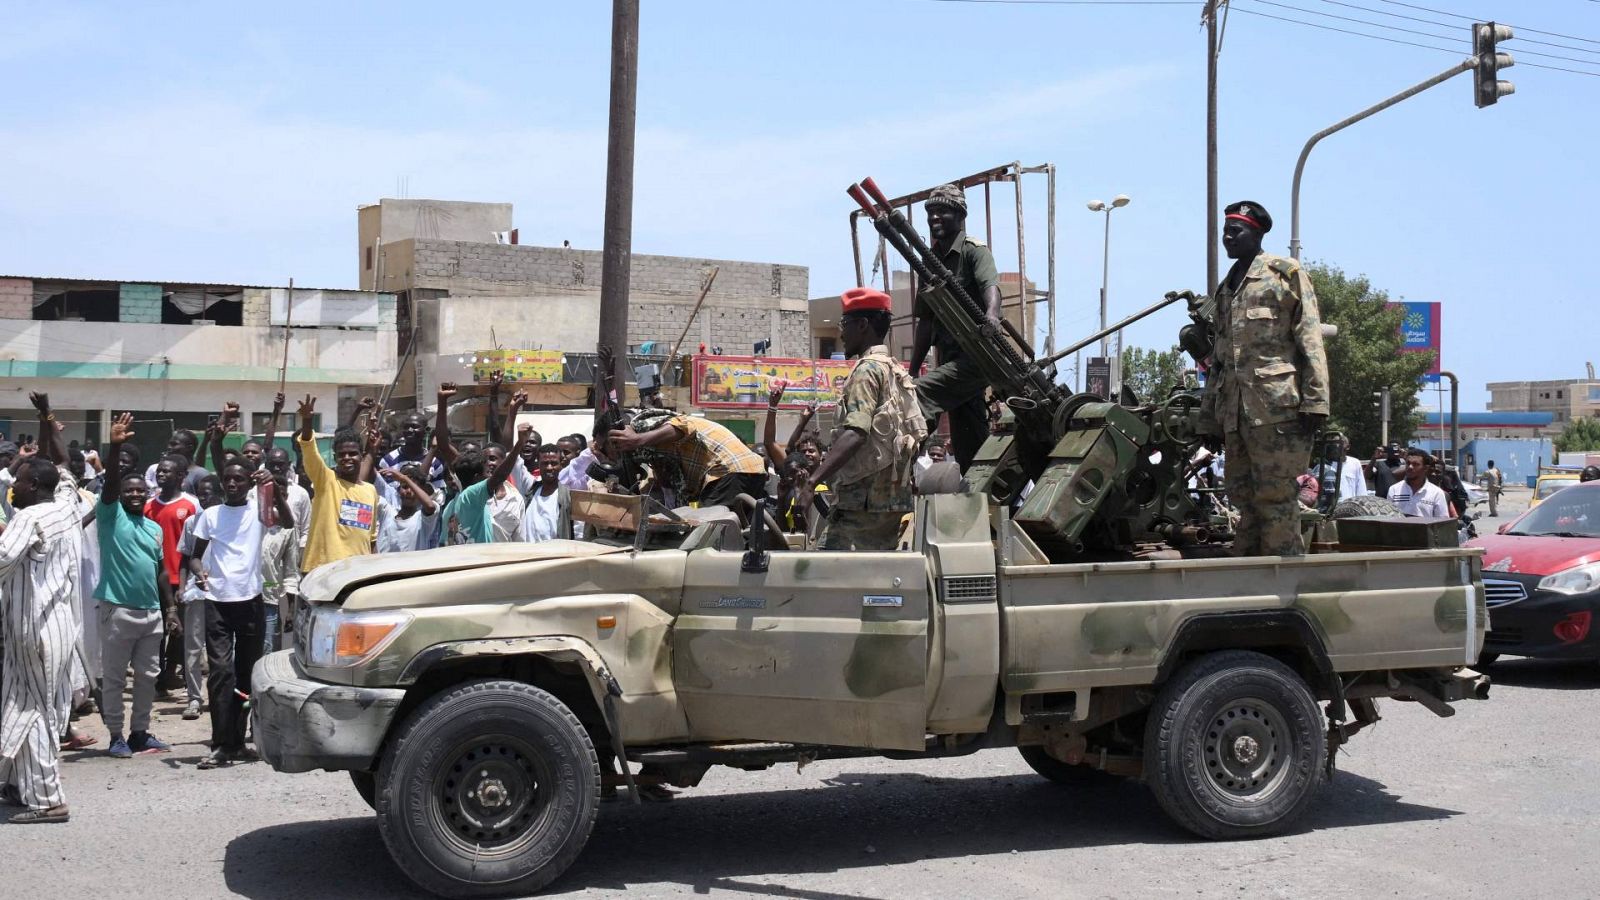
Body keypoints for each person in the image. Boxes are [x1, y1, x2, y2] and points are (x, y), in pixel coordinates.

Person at [1197, 200, 1329, 557]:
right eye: (1224, 232)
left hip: (1277, 410)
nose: (1227, 238)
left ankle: (1284, 581)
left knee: (1275, 498)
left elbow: (1310, 339)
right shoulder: (1226, 287)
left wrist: (1316, 401)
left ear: (1256, 234)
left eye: (1235, 231)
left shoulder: (1283, 274)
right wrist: (1210, 417)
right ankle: (1250, 577)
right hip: (1237, 414)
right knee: (1243, 498)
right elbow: (1221, 358)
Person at [800, 288, 926, 551]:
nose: (842, 333)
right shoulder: (892, 368)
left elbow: (856, 432)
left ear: (862, 325)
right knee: (874, 575)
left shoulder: (867, 370)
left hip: (862, 502)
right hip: (890, 500)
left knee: (826, 573)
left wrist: (813, 481)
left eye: (844, 324)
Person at [189, 460, 292, 769]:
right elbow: (194, 557)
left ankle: (237, 742)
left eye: (238, 479)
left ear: (249, 484)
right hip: (217, 601)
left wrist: (274, 491)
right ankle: (220, 743)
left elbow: (287, 522)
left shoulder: (258, 513)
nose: (232, 484)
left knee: (246, 674)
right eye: (228, 479)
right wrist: (199, 573)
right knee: (221, 672)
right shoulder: (210, 515)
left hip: (251, 601)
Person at [0, 455, 83, 823]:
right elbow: (65, 475)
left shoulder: (29, 518)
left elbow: (3, 558)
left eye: (17, 480)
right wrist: (48, 420)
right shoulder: (66, 507)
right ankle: (21, 784)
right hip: (59, 627)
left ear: (33, 486)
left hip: (34, 630)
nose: (11, 485)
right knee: (22, 703)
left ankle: (48, 800)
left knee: (33, 711)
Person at [908, 183, 1003, 472]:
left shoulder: (974, 251)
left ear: (960, 215)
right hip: (952, 360)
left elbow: (991, 286)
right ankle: (980, 497)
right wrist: (912, 370)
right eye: (930, 212)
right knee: (969, 444)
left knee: (917, 396)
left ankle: (903, 461)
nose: (934, 218)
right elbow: (925, 321)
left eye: (942, 211)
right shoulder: (929, 260)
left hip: (977, 357)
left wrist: (992, 315)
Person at [95, 414, 174, 759]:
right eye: (129, 490)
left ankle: (139, 733)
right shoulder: (111, 516)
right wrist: (114, 448)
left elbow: (159, 572)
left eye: (140, 490)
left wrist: (169, 608)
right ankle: (115, 736)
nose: (135, 494)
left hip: (151, 613)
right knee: (114, 679)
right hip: (118, 610)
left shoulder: (154, 528)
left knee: (148, 678)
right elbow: (111, 485)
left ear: (148, 493)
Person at [294, 395, 378, 572]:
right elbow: (309, 449)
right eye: (342, 455)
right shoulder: (325, 480)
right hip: (322, 571)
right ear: (335, 458)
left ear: (361, 456)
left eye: (352, 453)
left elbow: (370, 539)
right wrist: (307, 421)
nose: (347, 458)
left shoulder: (370, 491)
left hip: (358, 574)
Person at [145, 453, 200, 710]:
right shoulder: (147, 506)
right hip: (154, 577)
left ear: (181, 476)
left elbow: (197, 544)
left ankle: (173, 670)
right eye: (160, 471)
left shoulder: (191, 504)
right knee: (155, 631)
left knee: (180, 632)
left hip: (182, 578)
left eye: (167, 471)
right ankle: (159, 680)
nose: (162, 474)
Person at [176, 473, 221, 719]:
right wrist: (182, 587)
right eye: (200, 493)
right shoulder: (192, 522)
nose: (204, 497)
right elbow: (185, 557)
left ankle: (219, 696)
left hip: (224, 594)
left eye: (208, 492)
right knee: (193, 649)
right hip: (196, 592)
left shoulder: (227, 518)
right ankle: (194, 697)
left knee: (221, 651)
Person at [376, 463, 441, 553]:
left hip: (412, 567)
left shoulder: (423, 519)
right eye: (405, 487)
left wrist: (404, 479)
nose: (409, 492)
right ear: (399, 490)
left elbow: (430, 507)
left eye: (413, 488)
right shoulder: (387, 512)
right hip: (384, 566)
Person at [521, 444, 574, 543]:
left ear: (560, 465)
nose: (549, 468)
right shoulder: (531, 491)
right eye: (545, 463)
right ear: (539, 465)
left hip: (554, 556)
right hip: (528, 553)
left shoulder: (567, 496)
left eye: (554, 463)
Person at [1308, 434, 1368, 511]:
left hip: (1350, 509)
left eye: (1339, 444)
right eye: (1334, 444)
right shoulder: (1326, 465)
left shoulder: (1355, 463)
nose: (1336, 447)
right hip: (1331, 509)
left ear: (1347, 447)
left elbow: (1361, 489)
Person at [1387, 449, 1450, 517]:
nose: (1410, 467)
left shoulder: (1436, 493)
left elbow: (1442, 523)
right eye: (1408, 463)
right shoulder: (1394, 489)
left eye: (1415, 464)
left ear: (1425, 468)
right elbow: (1388, 517)